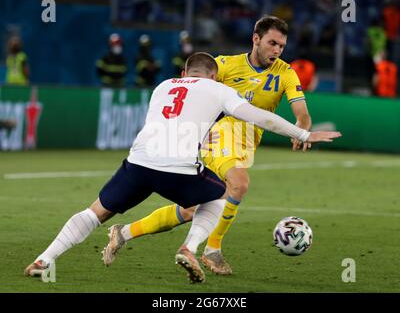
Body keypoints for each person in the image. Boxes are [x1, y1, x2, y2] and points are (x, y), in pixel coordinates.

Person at [24, 52, 340, 283]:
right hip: (178, 165)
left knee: (95, 212)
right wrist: (302, 133)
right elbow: (261, 117)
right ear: (214, 76)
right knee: (220, 195)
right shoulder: (218, 89)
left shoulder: (162, 86)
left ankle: (44, 259)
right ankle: (190, 248)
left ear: (184, 71)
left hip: (139, 161)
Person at [102, 15, 318, 276]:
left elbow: (302, 112)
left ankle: (123, 233)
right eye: (272, 43)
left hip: (246, 144)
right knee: (239, 183)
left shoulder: (285, 72)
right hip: (217, 136)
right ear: (256, 39)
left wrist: (301, 129)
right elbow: (188, 89)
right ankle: (211, 250)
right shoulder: (224, 65)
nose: (277, 50)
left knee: (196, 209)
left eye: (282, 46)